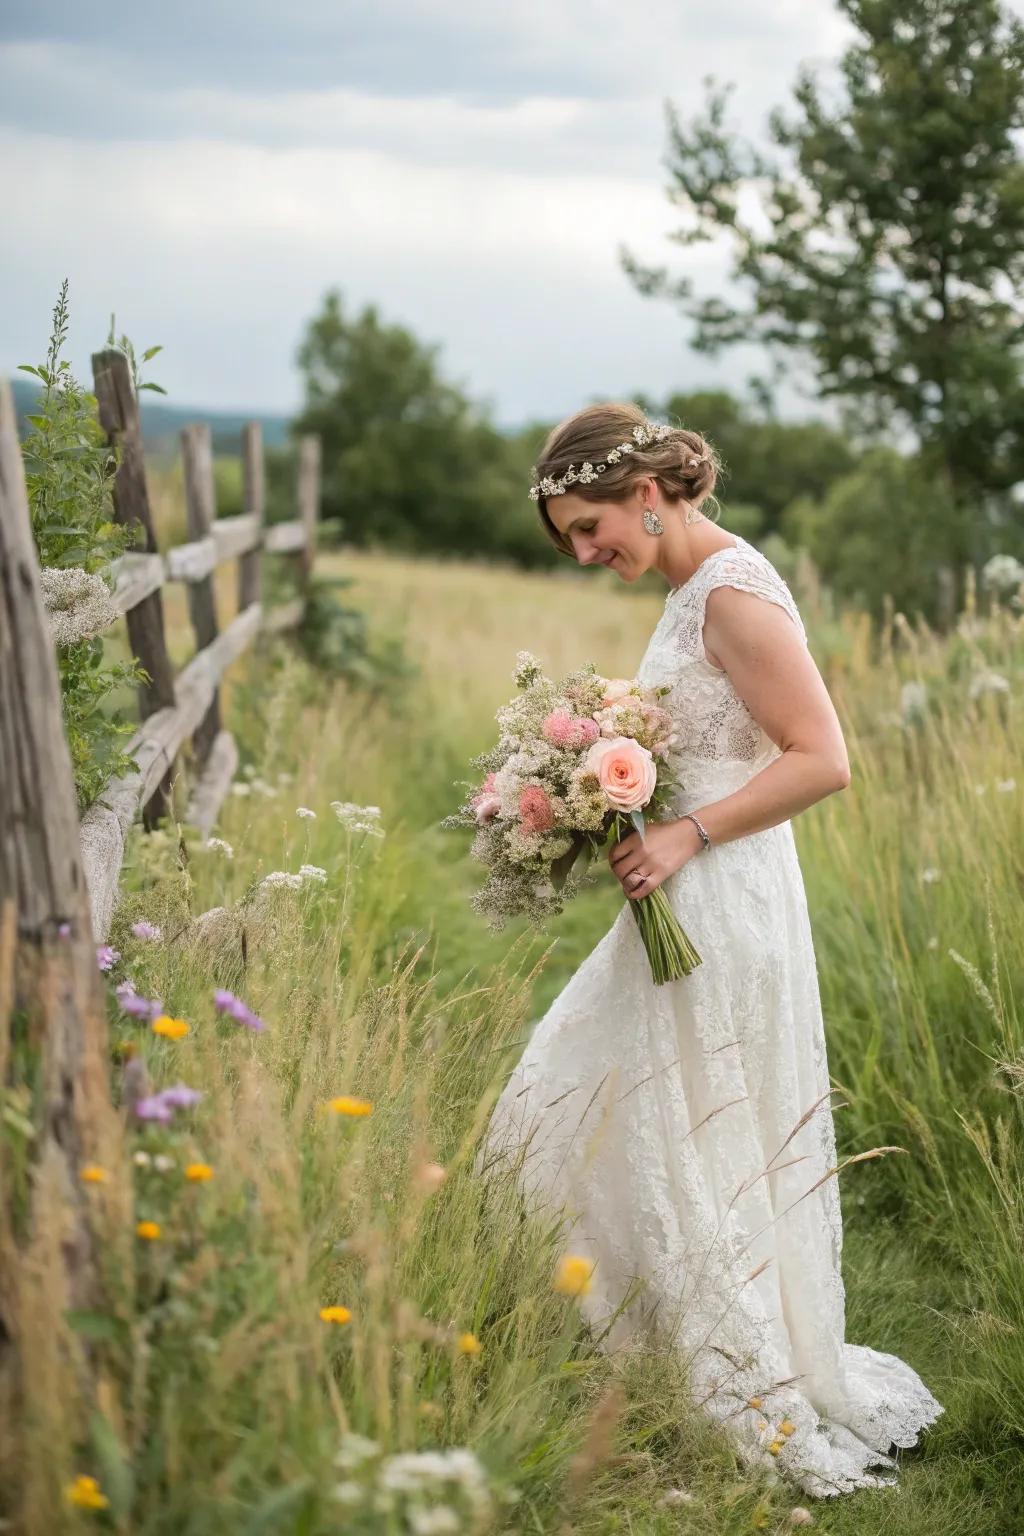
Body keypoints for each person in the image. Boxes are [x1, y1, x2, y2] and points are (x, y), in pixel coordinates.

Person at [479, 402, 944, 1499]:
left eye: (591, 528)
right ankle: (630, 1341)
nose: (589, 554)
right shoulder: (693, 588)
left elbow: (823, 758)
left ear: (646, 492)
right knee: (644, 1105)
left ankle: (701, 1358)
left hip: (725, 894)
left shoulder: (730, 594)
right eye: (571, 541)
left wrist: (683, 829)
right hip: (697, 887)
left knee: (637, 1104)